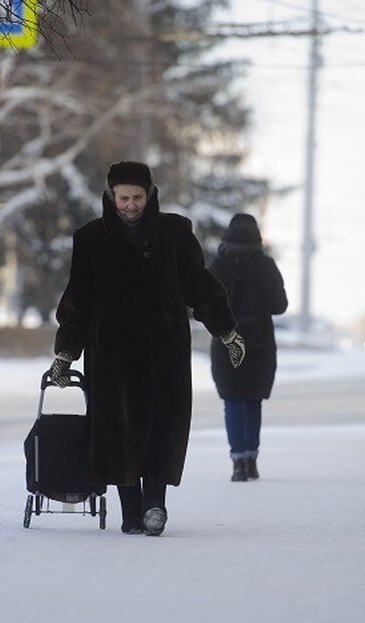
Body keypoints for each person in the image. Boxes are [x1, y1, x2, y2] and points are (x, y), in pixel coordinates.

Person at [50, 161, 246, 535]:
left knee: (161, 426)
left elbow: (200, 285)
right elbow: (78, 299)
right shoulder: (90, 238)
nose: (130, 205)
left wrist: (226, 330)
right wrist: (66, 351)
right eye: (123, 197)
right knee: (119, 430)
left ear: (150, 194)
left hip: (164, 351)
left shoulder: (173, 232)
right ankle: (131, 511)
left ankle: (155, 505)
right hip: (112, 355)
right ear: (111, 196)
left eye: (137, 197)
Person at [209, 214, 287, 482]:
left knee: (232, 401)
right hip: (260, 343)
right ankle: (251, 460)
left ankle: (237, 462)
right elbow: (280, 306)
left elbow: (202, 306)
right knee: (253, 401)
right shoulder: (266, 266)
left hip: (226, 342)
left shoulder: (219, 266)